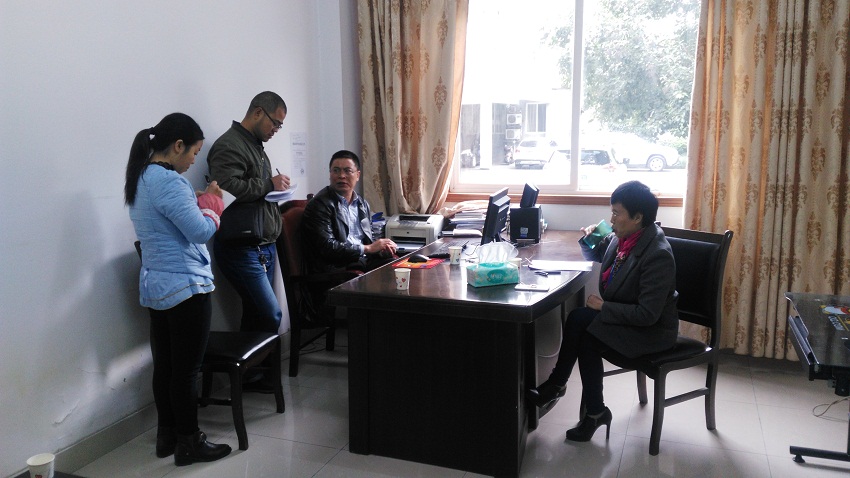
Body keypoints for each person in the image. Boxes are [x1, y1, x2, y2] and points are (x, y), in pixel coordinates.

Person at [528, 180, 678, 442]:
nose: (611, 219)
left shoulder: (657, 254)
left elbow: (647, 315)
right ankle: (592, 410)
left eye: (617, 213)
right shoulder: (624, 238)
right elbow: (596, 255)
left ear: (638, 217)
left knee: (580, 320)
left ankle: (559, 386)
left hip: (649, 332)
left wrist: (604, 307)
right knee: (585, 333)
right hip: (626, 321)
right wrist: (589, 238)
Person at [125, 113, 231, 465]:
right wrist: (213, 204)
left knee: (166, 367)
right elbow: (200, 232)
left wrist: (194, 202)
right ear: (178, 146)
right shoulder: (170, 181)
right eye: (194, 153)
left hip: (157, 285)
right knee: (186, 371)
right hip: (186, 287)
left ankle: (167, 436)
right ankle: (190, 443)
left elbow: (168, 221)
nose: (193, 161)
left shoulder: (141, 176)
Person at [207, 92, 290, 392]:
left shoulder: (255, 146)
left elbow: (256, 192)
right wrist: (269, 184)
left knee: (256, 314)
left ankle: (249, 376)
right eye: (275, 123)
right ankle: (252, 373)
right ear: (257, 112)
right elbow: (226, 188)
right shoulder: (228, 145)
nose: (276, 130)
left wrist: (275, 189)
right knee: (270, 313)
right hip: (240, 248)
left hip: (262, 244)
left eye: (280, 125)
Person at [302, 150, 398, 274]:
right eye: (336, 170)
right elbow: (327, 247)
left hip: (360, 261)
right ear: (330, 174)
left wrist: (381, 250)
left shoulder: (362, 204)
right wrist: (368, 248)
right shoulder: (320, 204)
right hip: (336, 268)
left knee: (398, 265)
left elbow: (368, 239)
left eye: (347, 171)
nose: (341, 176)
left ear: (357, 175)